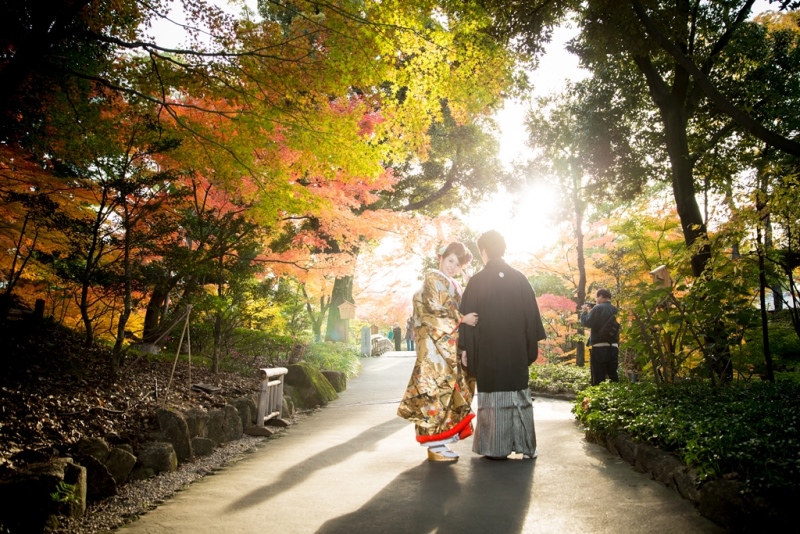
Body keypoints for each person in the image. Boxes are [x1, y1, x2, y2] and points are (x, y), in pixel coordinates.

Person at [458, 230, 546, 460]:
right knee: (519, 394)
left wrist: (465, 349)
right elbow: (532, 318)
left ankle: (495, 448)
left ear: (483, 251)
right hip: (515, 352)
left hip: (488, 353)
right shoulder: (519, 278)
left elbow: (467, 318)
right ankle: (527, 446)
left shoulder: (476, 281)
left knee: (492, 396)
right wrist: (527, 350)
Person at [397, 242, 479, 462]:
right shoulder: (433, 279)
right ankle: (434, 444)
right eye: (450, 260)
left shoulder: (451, 283)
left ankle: (439, 442)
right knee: (434, 393)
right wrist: (462, 318)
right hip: (435, 349)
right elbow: (435, 311)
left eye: (457, 264)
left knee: (448, 393)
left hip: (446, 347)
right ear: (441, 258)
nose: (453, 267)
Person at [580, 288, 620, 386]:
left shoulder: (598, 308)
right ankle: (615, 397)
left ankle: (598, 398)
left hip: (599, 346)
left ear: (601, 296)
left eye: (597, 298)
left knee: (598, 375)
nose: (596, 300)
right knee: (613, 374)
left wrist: (584, 312)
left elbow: (587, 322)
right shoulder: (615, 309)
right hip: (614, 346)